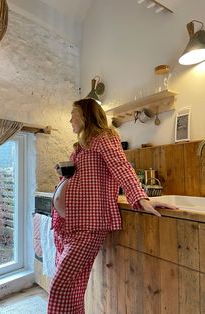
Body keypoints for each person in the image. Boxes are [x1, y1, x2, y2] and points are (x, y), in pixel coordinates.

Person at [47, 98, 177, 314]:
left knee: (60, 286)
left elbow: (122, 167)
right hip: (72, 224)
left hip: (89, 225)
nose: (70, 119)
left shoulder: (103, 138)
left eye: (73, 114)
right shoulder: (80, 147)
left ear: (86, 115)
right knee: (73, 288)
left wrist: (141, 198)